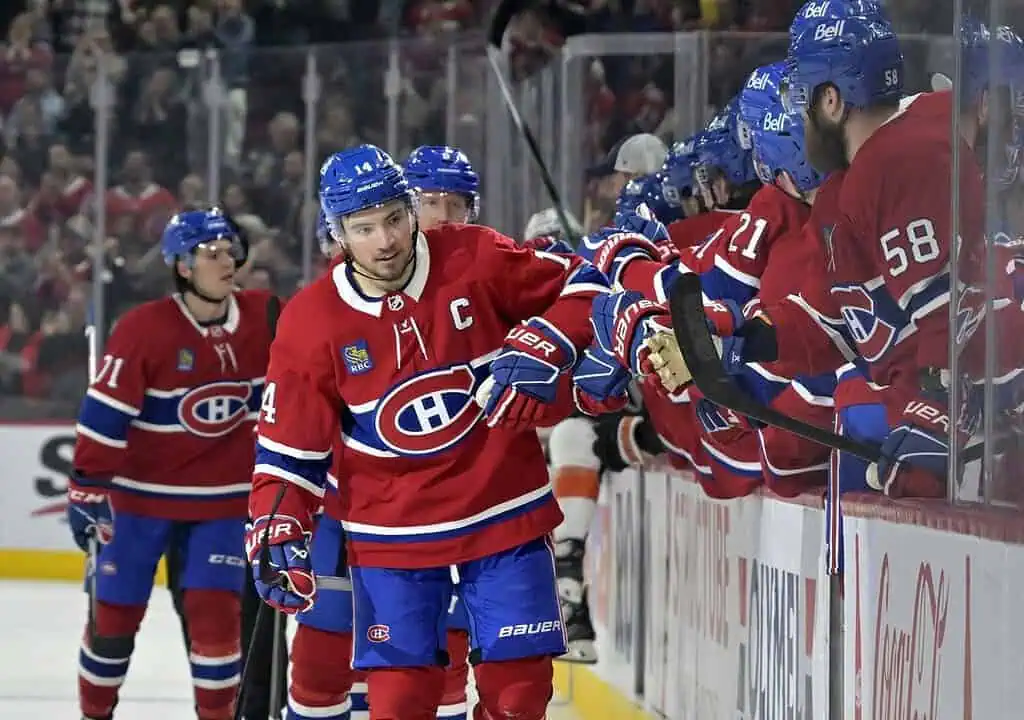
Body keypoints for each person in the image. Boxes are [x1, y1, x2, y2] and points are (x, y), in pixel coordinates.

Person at [247, 144, 607, 720]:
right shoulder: (312, 319)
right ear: (338, 232)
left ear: (410, 208)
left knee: (519, 695)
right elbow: (292, 449)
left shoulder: (476, 256)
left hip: (503, 509)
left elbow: (589, 285)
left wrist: (550, 340)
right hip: (390, 530)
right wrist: (277, 525)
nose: (385, 241)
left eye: (394, 218)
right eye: (364, 228)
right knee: (399, 703)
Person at [286, 145, 486, 720]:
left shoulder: (480, 279)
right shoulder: (336, 299)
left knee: (440, 671)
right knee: (323, 666)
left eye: (456, 204)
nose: (444, 216)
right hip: (347, 512)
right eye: (429, 202)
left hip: (450, 512)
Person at [67, 209, 275, 720]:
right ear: (182, 265)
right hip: (138, 503)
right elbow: (103, 417)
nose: (227, 261)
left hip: (222, 507)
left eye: (230, 251)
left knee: (217, 629)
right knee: (112, 626)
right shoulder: (144, 330)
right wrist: (87, 490)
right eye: (212, 253)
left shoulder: (265, 316)